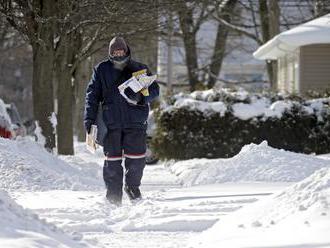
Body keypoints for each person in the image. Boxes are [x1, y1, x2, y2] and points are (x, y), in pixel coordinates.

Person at [84, 36, 159, 206]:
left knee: (137, 159)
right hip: (111, 123)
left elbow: (155, 90)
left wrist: (140, 97)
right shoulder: (101, 69)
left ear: (126, 51)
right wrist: (89, 120)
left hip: (136, 122)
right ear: (110, 53)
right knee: (112, 162)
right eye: (115, 51)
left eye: (121, 50)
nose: (118, 53)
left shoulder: (139, 68)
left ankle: (132, 188)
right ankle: (113, 195)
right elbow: (92, 97)